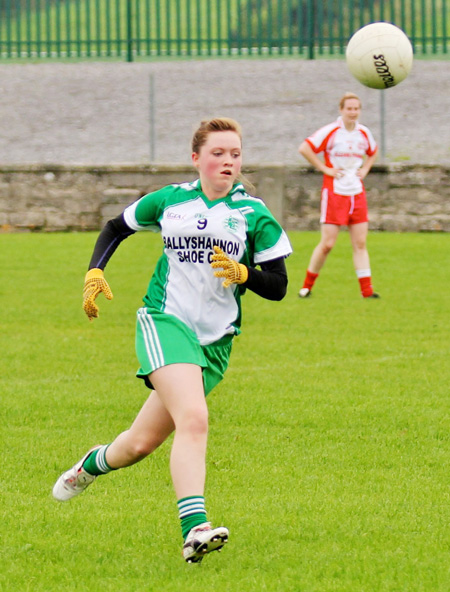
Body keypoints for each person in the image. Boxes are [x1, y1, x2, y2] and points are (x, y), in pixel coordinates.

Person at [52, 117, 293, 564]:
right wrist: (94, 270)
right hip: (164, 322)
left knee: (139, 444)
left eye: (235, 154)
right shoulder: (171, 201)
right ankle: (195, 529)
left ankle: (91, 465)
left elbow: (278, 284)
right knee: (195, 419)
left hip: (215, 343)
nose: (228, 161)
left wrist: (245, 274)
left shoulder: (253, 215)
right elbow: (115, 227)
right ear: (196, 158)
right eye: (218, 153)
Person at [297, 92, 380, 299]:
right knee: (328, 244)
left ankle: (367, 292)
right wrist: (324, 168)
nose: (353, 112)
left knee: (360, 243)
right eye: (349, 108)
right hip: (335, 193)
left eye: (356, 109)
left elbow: (373, 151)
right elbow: (305, 148)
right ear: (341, 110)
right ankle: (306, 287)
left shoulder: (363, 133)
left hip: (357, 193)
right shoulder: (331, 131)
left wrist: (366, 168)